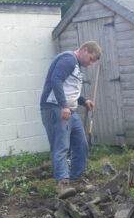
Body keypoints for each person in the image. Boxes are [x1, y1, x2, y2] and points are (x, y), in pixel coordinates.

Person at [40, 41, 101, 198]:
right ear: (85, 50)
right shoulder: (68, 59)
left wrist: (83, 101)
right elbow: (56, 80)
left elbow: (69, 89)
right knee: (61, 146)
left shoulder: (76, 65)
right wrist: (63, 106)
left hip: (69, 110)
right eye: (91, 59)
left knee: (81, 144)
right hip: (55, 108)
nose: (90, 64)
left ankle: (76, 180)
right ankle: (63, 184)